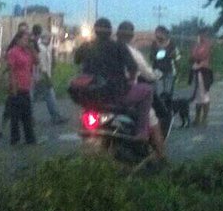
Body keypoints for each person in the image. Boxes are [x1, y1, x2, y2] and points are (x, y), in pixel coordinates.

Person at [73, 18, 153, 148]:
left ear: (95, 30)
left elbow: (76, 60)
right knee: (147, 90)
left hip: (92, 97)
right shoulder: (118, 46)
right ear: (110, 32)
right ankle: (142, 132)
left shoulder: (86, 46)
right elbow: (133, 68)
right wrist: (131, 80)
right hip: (116, 94)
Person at [115, 21, 168, 160]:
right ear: (131, 36)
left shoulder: (107, 49)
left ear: (117, 33)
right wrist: (156, 75)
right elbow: (148, 74)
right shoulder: (133, 53)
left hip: (106, 96)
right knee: (152, 118)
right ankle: (161, 158)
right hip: (126, 95)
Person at [5, 30, 37, 145]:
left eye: (27, 40)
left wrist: (32, 49)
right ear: (18, 40)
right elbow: (11, 70)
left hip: (26, 86)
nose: (26, 42)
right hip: (17, 86)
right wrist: (13, 86)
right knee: (15, 115)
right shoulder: (13, 52)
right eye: (24, 39)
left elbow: (36, 61)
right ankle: (15, 138)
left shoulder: (28, 52)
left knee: (27, 114)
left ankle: (30, 138)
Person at [31, 25, 67, 125]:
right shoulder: (39, 48)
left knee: (36, 96)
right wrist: (46, 75)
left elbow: (50, 62)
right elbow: (40, 63)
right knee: (47, 95)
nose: (49, 39)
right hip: (40, 75)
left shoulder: (47, 47)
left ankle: (29, 117)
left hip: (42, 75)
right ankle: (55, 116)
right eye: (47, 37)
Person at [191, 27, 214, 126]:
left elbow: (203, 56)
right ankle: (197, 117)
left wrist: (197, 59)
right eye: (200, 35)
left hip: (204, 71)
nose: (201, 37)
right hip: (196, 71)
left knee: (204, 95)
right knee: (197, 96)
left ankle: (204, 118)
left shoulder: (207, 45)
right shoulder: (196, 45)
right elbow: (192, 56)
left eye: (203, 35)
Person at [150, 25, 179, 101]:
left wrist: (177, 72)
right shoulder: (154, 44)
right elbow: (152, 57)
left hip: (169, 71)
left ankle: (167, 110)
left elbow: (175, 57)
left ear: (163, 33)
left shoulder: (172, 43)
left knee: (168, 93)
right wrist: (165, 55)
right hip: (157, 71)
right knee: (158, 93)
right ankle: (159, 110)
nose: (156, 34)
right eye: (156, 33)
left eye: (157, 32)